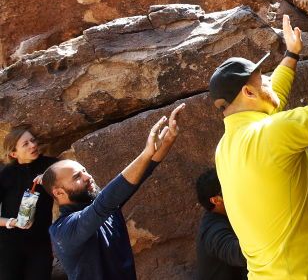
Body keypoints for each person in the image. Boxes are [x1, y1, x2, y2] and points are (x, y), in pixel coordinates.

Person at [213, 5, 308, 279]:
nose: (268, 80)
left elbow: (270, 101)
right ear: (248, 92)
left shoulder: (226, 148)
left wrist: (292, 53)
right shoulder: (270, 135)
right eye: (262, 79)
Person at [41, 103, 185, 280]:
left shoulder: (103, 206)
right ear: (59, 193)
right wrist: (145, 154)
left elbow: (140, 174)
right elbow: (104, 204)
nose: (88, 177)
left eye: (85, 171)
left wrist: (168, 140)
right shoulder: (63, 230)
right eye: (77, 177)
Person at [0, 126, 59, 280]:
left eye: (33, 140)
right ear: (14, 153)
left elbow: (77, 177)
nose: (33, 145)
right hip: (9, 247)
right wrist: (12, 222)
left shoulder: (52, 166)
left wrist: (50, 177)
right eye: (25, 144)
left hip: (40, 245)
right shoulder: (5, 174)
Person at [194, 168, 246, 280]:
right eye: (230, 186)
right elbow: (236, 253)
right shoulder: (212, 229)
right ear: (216, 200)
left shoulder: (228, 215)